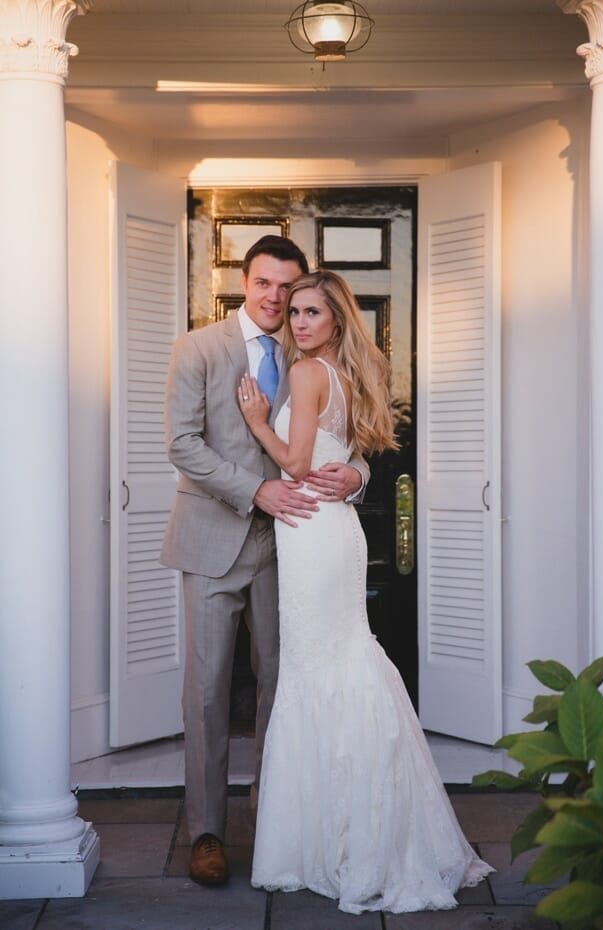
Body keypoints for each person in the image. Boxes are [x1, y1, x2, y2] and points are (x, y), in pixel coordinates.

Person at [237, 270, 492, 913]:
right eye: (293, 312)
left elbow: (295, 466)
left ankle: (339, 840)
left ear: (336, 321)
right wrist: (346, 472)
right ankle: (367, 828)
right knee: (344, 661)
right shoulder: (351, 379)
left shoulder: (306, 375)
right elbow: (343, 454)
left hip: (311, 532)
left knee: (319, 668)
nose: (297, 322)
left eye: (312, 312)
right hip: (332, 531)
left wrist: (258, 420)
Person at [162, 236, 368, 886]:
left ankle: (279, 822)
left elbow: (349, 437)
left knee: (285, 686)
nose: (278, 299)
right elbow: (182, 443)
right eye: (265, 284)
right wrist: (254, 488)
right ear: (242, 282)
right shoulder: (199, 347)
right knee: (208, 690)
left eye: (289, 288)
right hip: (214, 539)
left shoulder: (309, 346)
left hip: (292, 547)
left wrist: (356, 477)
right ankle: (207, 832)